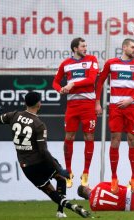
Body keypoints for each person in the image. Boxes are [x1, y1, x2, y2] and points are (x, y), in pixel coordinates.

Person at [0, 92, 90, 218]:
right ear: (39, 104)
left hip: (26, 166)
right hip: (40, 161)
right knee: (61, 178)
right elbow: (43, 151)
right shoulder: (38, 124)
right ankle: (62, 210)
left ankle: (64, 210)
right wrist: (59, 169)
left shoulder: (13, 115)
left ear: (25, 103)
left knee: (49, 190)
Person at [95, 38, 134, 194]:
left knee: (132, 140)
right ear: (124, 48)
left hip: (133, 108)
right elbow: (100, 82)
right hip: (116, 108)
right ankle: (114, 177)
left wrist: (131, 99)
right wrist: (97, 102)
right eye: (132, 47)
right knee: (115, 140)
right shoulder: (111, 63)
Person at [53, 37, 99, 188]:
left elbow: (91, 80)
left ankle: (85, 172)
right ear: (75, 48)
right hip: (72, 105)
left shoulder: (92, 59)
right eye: (82, 46)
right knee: (69, 137)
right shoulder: (66, 64)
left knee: (89, 136)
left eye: (86, 45)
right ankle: (68, 171)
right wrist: (59, 89)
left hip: (88, 104)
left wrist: (72, 84)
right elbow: (55, 81)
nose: (85, 48)